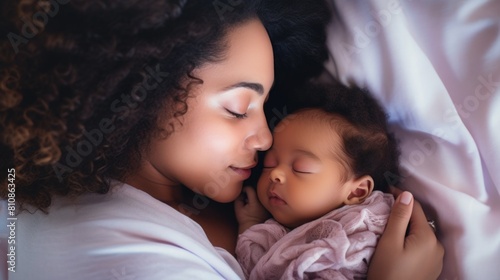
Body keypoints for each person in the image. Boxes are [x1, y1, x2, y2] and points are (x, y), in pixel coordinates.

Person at [0, 1, 443, 279]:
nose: (266, 138)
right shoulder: (114, 251)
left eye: (264, 108)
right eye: (237, 108)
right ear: (143, 91)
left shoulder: (225, 204)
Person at [235, 84, 399, 279]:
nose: (275, 173)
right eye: (270, 163)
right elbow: (257, 269)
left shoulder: (357, 235)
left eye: (300, 168)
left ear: (356, 191)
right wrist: (251, 223)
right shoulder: (280, 231)